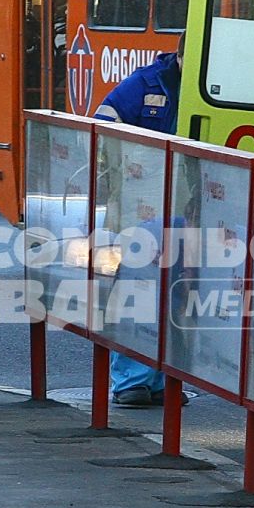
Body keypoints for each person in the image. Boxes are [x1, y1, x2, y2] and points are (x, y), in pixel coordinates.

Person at [92, 44, 181, 406]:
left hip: (179, 204)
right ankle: (130, 379)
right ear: (181, 53)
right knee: (137, 287)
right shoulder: (146, 84)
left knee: (175, 289)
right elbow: (102, 123)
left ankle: (162, 379)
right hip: (139, 207)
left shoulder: (209, 85)